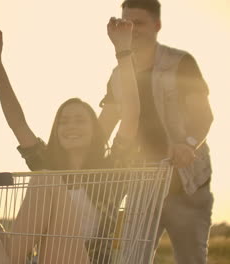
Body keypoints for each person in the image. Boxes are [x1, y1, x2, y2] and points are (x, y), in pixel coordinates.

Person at [0, 20, 139, 264]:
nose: (71, 127)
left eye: (79, 121)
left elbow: (131, 115)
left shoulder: (110, 172)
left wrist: (123, 51)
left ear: (94, 130)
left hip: (84, 259)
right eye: (64, 121)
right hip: (41, 258)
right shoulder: (48, 161)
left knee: (46, 178)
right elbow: (17, 122)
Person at [98, 1, 214, 263]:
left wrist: (188, 144)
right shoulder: (119, 74)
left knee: (191, 259)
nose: (131, 29)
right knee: (131, 258)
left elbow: (203, 114)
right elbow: (103, 126)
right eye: (125, 22)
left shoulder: (180, 62)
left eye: (138, 23)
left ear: (157, 25)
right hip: (142, 184)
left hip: (187, 183)